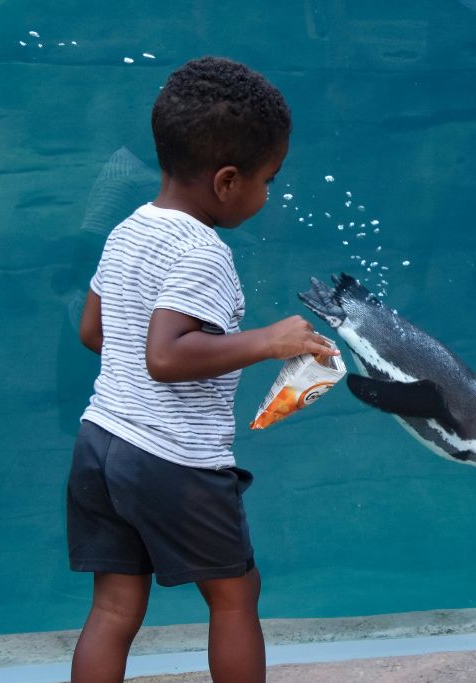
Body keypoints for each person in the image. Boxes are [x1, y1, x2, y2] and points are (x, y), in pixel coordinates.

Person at [66, 56, 337, 683]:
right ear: (226, 182)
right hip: (174, 460)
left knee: (112, 607)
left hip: (101, 443)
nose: (269, 194)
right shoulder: (203, 251)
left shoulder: (127, 230)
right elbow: (167, 356)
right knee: (236, 596)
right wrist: (267, 340)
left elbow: (92, 333)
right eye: (268, 179)